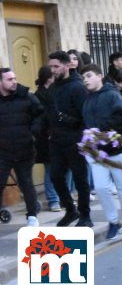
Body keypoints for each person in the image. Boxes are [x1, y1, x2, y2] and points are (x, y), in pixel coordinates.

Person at [81, 64, 122, 240]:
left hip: (117, 150)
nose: (86, 80)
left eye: (89, 76)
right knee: (101, 188)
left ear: (99, 76)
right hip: (97, 153)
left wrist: (99, 130)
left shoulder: (113, 95)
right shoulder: (87, 99)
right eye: (84, 78)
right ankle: (113, 222)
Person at [47, 50, 93, 227]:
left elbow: (86, 115)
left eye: (56, 66)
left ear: (67, 65)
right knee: (56, 176)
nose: (53, 70)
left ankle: (85, 215)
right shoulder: (53, 87)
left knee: (80, 178)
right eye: (50, 66)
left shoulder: (78, 87)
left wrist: (67, 120)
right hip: (57, 140)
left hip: (75, 139)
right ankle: (70, 209)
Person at [0, 68, 44, 226]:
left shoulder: (26, 97)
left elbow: (40, 115)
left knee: (26, 182)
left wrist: (33, 133)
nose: (14, 82)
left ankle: (32, 216)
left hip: (24, 148)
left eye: (14, 78)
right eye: (9, 79)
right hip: (2, 151)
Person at [34, 66, 61, 212]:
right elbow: (42, 116)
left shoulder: (56, 91)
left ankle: (63, 196)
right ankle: (53, 200)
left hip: (58, 135)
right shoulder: (39, 95)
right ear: (49, 77)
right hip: (46, 137)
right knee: (50, 169)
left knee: (63, 168)